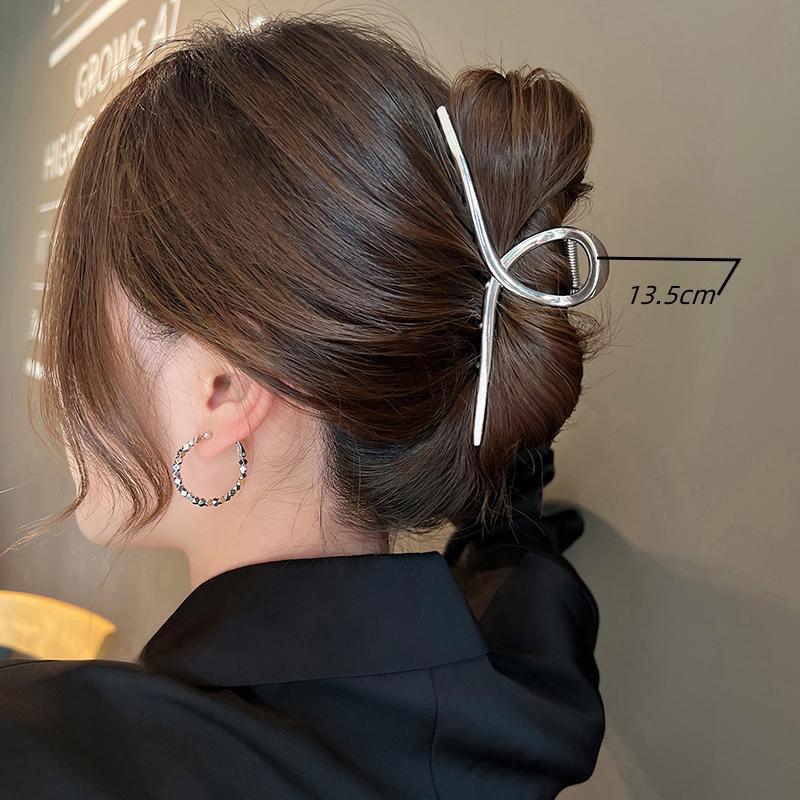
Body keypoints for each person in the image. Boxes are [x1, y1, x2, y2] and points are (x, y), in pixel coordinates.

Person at [0, 11, 607, 798]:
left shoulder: (59, 757)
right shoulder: (535, 699)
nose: (62, 381)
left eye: (80, 325)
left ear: (223, 391)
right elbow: (518, 551)